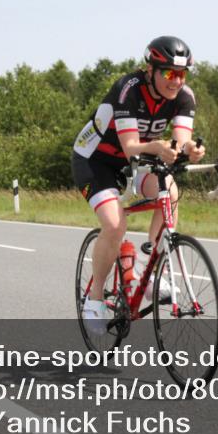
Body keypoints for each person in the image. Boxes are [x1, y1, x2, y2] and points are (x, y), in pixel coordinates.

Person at [72, 36, 206, 333]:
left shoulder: (184, 97)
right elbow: (131, 146)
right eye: (169, 73)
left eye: (181, 74)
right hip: (96, 160)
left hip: (136, 161)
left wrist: (189, 150)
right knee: (115, 224)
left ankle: (148, 269)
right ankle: (94, 300)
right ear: (151, 70)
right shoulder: (128, 90)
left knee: (169, 193)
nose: (176, 81)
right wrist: (160, 147)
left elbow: (181, 142)